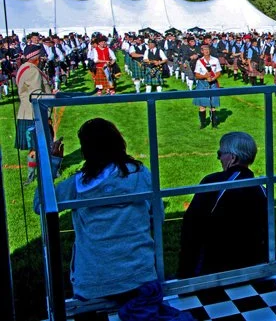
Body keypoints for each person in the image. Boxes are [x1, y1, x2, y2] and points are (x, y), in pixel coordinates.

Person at [33, 119, 192, 321]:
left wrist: (53, 162)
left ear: (86, 150)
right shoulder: (140, 173)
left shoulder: (78, 184)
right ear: (118, 142)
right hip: (139, 275)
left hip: (93, 281)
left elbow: (40, 203)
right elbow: (158, 216)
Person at [177, 132, 267, 278]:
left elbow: (191, 227)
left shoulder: (214, 183)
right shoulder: (261, 189)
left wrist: (184, 272)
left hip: (214, 269)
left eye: (220, 154)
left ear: (233, 158)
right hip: (252, 267)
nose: (219, 158)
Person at [16, 44, 53, 184]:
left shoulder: (24, 68)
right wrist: (53, 98)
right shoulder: (32, 71)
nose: (43, 58)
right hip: (34, 114)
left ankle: (35, 175)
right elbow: (36, 95)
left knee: (35, 147)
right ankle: (36, 176)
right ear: (36, 58)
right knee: (37, 147)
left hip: (28, 113)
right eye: (41, 56)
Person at [193, 44, 222, 129]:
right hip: (202, 84)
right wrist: (205, 76)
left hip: (213, 83)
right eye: (204, 49)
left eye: (207, 49)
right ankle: (203, 124)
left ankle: (214, 124)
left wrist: (213, 78)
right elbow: (197, 75)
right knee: (202, 105)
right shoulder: (199, 61)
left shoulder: (215, 60)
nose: (206, 51)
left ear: (210, 50)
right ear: (202, 51)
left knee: (213, 105)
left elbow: (218, 72)